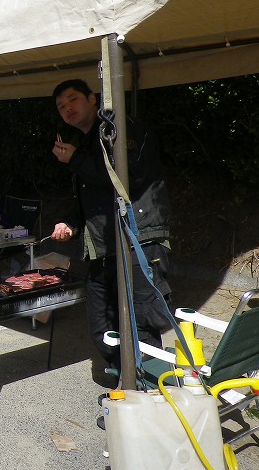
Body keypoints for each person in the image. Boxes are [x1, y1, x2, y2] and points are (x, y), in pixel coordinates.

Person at [50, 78, 173, 373]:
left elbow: (124, 178)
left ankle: (149, 389)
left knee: (141, 325)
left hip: (137, 239)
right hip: (104, 247)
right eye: (61, 106)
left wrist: (75, 159)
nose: (67, 109)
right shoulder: (85, 142)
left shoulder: (121, 130)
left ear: (93, 99)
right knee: (103, 328)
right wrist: (71, 222)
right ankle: (127, 381)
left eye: (73, 100)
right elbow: (95, 197)